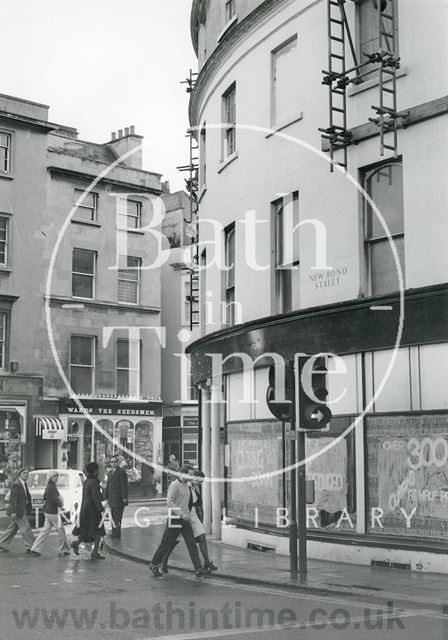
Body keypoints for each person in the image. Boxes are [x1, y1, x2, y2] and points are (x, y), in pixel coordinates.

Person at [149, 464, 205, 578]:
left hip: (185, 519)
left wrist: (187, 515)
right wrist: (181, 514)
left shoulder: (188, 485)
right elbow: (169, 502)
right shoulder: (174, 485)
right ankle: (154, 564)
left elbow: (190, 501)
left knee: (192, 544)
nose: (191, 477)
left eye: (192, 475)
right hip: (175, 518)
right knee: (166, 543)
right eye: (189, 474)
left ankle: (198, 568)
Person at [161, 469, 217, 574]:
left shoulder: (195, 488)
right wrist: (181, 514)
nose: (200, 483)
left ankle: (205, 562)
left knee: (201, 537)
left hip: (193, 516)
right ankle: (163, 561)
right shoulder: (185, 486)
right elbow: (172, 502)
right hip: (182, 515)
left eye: (201, 482)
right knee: (173, 541)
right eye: (199, 481)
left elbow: (197, 503)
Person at [30, 471, 70, 557]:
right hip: (53, 512)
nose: (56, 478)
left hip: (48, 512)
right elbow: (54, 500)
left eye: (57, 476)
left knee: (45, 531)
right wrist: (61, 504)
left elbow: (45, 497)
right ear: (51, 477)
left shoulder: (49, 486)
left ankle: (35, 548)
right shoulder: (52, 487)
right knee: (61, 530)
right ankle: (64, 550)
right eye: (55, 476)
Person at [71, 461, 106, 560]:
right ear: (94, 471)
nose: (98, 472)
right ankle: (94, 552)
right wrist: (101, 508)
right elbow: (95, 496)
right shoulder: (95, 482)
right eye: (97, 470)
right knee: (98, 530)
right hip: (92, 509)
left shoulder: (86, 481)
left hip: (85, 507)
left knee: (88, 530)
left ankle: (76, 543)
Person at [0, 468, 35, 553]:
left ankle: (2, 543)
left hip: (21, 510)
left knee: (12, 528)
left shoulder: (23, 484)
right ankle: (32, 547)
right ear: (19, 475)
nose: (26, 474)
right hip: (17, 511)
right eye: (24, 473)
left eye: (27, 473)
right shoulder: (16, 484)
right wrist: (13, 512)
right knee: (26, 528)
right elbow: (13, 500)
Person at [105, 455, 128, 539]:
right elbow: (108, 485)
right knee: (113, 517)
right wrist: (106, 496)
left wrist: (124, 497)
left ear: (118, 462)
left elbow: (124, 485)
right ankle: (114, 532)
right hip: (112, 498)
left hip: (119, 498)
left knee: (117, 517)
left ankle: (117, 533)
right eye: (112, 462)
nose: (113, 463)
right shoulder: (110, 472)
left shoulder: (121, 472)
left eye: (115, 461)